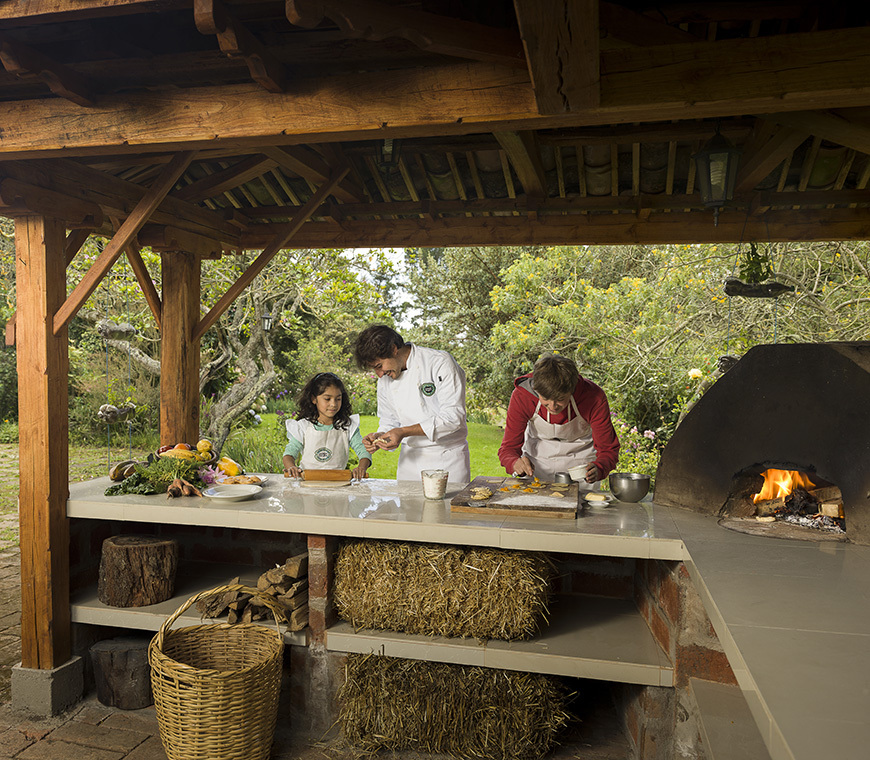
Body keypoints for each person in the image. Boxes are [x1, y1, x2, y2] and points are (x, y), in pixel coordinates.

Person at [354, 325, 470, 483]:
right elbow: (389, 421)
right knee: (407, 508)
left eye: (379, 366)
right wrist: (380, 437)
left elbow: (453, 418)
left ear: (394, 349)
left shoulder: (439, 362)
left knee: (444, 508)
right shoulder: (385, 380)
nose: (379, 374)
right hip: (409, 464)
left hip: (447, 459)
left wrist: (402, 432)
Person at [498, 355, 620, 486]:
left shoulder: (593, 397)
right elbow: (508, 448)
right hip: (536, 471)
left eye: (560, 399)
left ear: (572, 390)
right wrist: (514, 463)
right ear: (536, 389)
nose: (552, 406)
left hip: (581, 472)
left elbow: (608, 449)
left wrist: (599, 468)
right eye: (545, 399)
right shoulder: (522, 396)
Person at [283, 372, 371, 480]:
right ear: (314, 399)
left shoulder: (347, 426)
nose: (333, 404)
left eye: (338, 399)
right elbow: (289, 454)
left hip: (338, 485)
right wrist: (291, 467)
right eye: (327, 399)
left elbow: (364, 452)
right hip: (308, 485)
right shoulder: (303, 427)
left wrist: (361, 468)